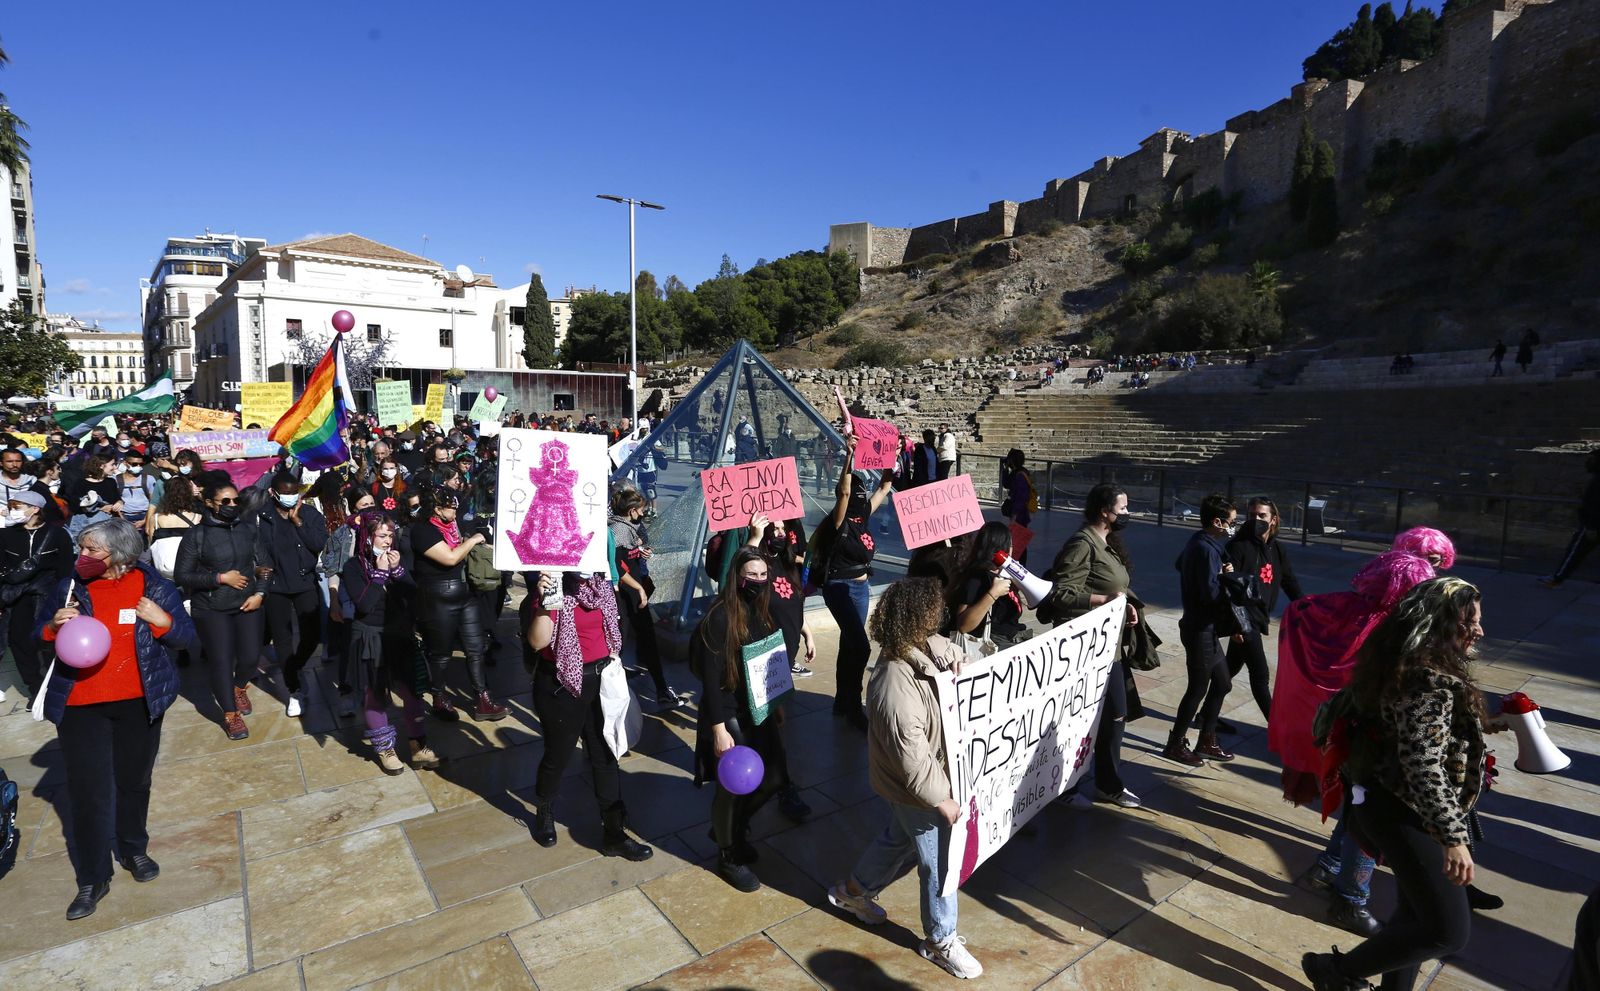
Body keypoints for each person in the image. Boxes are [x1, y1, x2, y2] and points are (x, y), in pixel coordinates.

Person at [1302, 577, 1489, 991]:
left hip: (1384, 803)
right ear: (1440, 622)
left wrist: (1487, 725)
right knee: (1448, 932)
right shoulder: (1425, 679)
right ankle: (1335, 973)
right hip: (1405, 813)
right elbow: (1422, 764)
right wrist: (1452, 838)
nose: (1479, 629)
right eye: (1469, 620)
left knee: (1414, 918)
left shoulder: (1404, 661)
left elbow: (1412, 734)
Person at [35, 518, 196, 920]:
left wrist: (163, 621)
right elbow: (35, 633)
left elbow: (187, 637)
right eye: (82, 548)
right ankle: (92, 876)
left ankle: (133, 849)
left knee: (134, 781)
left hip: (138, 704)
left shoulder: (154, 586)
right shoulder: (69, 586)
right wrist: (53, 628)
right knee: (88, 791)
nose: (82, 557)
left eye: (92, 550)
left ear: (121, 555)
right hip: (80, 707)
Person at [1273, 550, 1437, 936]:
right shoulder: (1393, 629)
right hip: (1370, 739)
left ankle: (1330, 867)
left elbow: (1298, 611)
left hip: (1347, 732)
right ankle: (1349, 899)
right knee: (1367, 815)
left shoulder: (1337, 607)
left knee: (1356, 809)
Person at [827, 578, 983, 980]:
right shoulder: (894, 681)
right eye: (932, 609)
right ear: (918, 616)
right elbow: (910, 755)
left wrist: (962, 664)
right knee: (939, 861)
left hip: (917, 785)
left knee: (898, 840)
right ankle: (940, 939)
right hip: (916, 788)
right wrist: (940, 800)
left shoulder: (924, 647)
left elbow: (952, 648)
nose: (939, 614)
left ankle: (852, 893)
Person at [521, 569, 653, 860]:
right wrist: (546, 601)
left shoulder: (601, 586)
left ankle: (614, 834)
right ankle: (544, 810)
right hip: (561, 683)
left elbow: (615, 629)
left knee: (605, 755)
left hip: (600, 680)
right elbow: (537, 642)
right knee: (558, 755)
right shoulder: (553, 585)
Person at [690, 547, 793, 892]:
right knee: (732, 788)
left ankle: (732, 828)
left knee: (775, 777)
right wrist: (718, 729)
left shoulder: (761, 612)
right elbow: (709, 678)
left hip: (758, 706)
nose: (758, 581)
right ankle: (727, 853)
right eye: (752, 575)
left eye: (764, 575)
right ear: (737, 576)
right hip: (728, 712)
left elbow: (767, 660)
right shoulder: (719, 617)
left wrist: (776, 701)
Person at [1039, 483, 1144, 808]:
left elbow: (1114, 586)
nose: (1127, 513)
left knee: (1115, 715)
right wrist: (1105, 600)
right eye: (1123, 508)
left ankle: (1107, 784)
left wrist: (1122, 605)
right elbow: (1059, 594)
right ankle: (1065, 789)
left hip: (1107, 648)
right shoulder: (1082, 544)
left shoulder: (1107, 542)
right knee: (1077, 721)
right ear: (1104, 511)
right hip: (1083, 652)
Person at [341, 512, 439, 774]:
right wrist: (380, 575)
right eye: (382, 535)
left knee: (412, 693)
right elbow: (364, 605)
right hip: (371, 636)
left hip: (399, 635)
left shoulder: (399, 559)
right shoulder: (353, 566)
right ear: (367, 536)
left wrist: (399, 572)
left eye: (390, 535)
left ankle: (418, 746)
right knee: (374, 695)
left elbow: (412, 596)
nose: (387, 541)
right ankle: (385, 748)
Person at [176, 479, 266, 741]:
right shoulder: (197, 535)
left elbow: (265, 565)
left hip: (248, 604)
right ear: (209, 504)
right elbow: (182, 576)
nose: (232, 505)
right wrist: (219, 579)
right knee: (222, 661)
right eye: (225, 501)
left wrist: (260, 593)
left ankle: (239, 687)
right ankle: (230, 713)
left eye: (236, 500)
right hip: (212, 609)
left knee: (250, 658)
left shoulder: (248, 529)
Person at [818, 435, 895, 730]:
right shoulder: (840, 521)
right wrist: (848, 457)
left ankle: (840, 700)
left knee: (849, 643)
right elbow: (844, 493)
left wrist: (889, 459)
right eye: (857, 494)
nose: (861, 497)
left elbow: (885, 486)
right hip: (839, 587)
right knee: (861, 647)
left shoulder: (862, 517)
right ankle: (852, 705)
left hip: (861, 588)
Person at [410, 490, 507, 720]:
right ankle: (439, 696)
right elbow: (450, 557)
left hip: (465, 594)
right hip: (438, 597)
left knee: (476, 647)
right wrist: (473, 540)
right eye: (451, 507)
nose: (455, 512)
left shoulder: (453, 527)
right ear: (437, 508)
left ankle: (483, 698)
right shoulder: (422, 531)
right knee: (441, 653)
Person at [744, 512, 814, 822]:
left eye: (784, 526)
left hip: (784, 657)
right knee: (769, 728)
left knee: (772, 725)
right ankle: (782, 786)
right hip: (763, 659)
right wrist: (755, 538)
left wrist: (806, 631)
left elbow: (793, 603)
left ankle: (767, 777)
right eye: (774, 527)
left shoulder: (785, 565)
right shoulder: (757, 567)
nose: (781, 531)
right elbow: (739, 578)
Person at [1213, 497, 1303, 727]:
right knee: (1260, 676)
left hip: (1259, 617)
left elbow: (1289, 581)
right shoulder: (1238, 547)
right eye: (1252, 515)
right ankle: (1277, 727)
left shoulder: (1277, 548)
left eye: (1262, 515)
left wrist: (1305, 606)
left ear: (1273, 519)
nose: (1256, 519)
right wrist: (1234, 624)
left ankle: (1206, 715)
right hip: (1245, 619)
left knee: (1229, 670)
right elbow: (1227, 586)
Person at [1164, 494, 1237, 766]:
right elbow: (1210, 593)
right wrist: (1226, 578)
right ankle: (1175, 743)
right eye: (1230, 521)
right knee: (1198, 688)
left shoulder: (1200, 541)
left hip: (1206, 628)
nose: (1232, 525)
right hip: (1200, 628)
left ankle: (1207, 738)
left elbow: (1179, 564)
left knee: (1223, 682)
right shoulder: (1206, 549)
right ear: (1217, 522)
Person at [608, 488, 681, 707]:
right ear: (631, 511)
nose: (645, 512)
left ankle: (659, 687)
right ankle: (616, 690)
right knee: (620, 639)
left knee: (644, 638)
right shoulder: (618, 531)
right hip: (625, 594)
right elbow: (617, 568)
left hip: (637, 589)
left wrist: (642, 552)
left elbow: (635, 549)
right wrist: (638, 588)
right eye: (642, 509)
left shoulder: (633, 527)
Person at [0, 489, 73, 702]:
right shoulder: (5, 535)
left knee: (51, 643)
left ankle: (58, 686)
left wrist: (67, 598)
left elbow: (66, 569)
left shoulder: (58, 534)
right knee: (20, 643)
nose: (12, 511)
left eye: (17, 507)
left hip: (48, 595)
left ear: (34, 509)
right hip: (16, 597)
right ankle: (36, 689)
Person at [944, 521, 1025, 647]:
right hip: (993, 646)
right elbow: (963, 626)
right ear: (1002, 548)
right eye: (1010, 544)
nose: (1012, 548)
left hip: (1010, 638)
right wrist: (992, 594)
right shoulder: (977, 578)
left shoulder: (1000, 574)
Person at [1540, 449, 1599, 589]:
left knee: (1575, 552)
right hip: (1593, 523)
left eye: (1592, 460)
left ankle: (1557, 579)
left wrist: (1591, 526)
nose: (1588, 463)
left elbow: (1595, 506)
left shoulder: (1598, 482)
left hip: (1592, 525)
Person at [62, 456, 122, 542]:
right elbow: (75, 506)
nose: (114, 467)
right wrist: (99, 508)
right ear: (101, 466)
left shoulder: (111, 482)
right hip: (88, 526)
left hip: (108, 526)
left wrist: (120, 502)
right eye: (112, 464)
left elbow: (116, 498)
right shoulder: (81, 483)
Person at [113, 449, 156, 531]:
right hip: (123, 517)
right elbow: (114, 501)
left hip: (145, 515)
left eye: (141, 464)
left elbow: (153, 502)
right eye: (135, 464)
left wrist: (145, 520)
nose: (138, 467)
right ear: (125, 463)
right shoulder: (115, 480)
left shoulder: (149, 479)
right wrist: (122, 519)